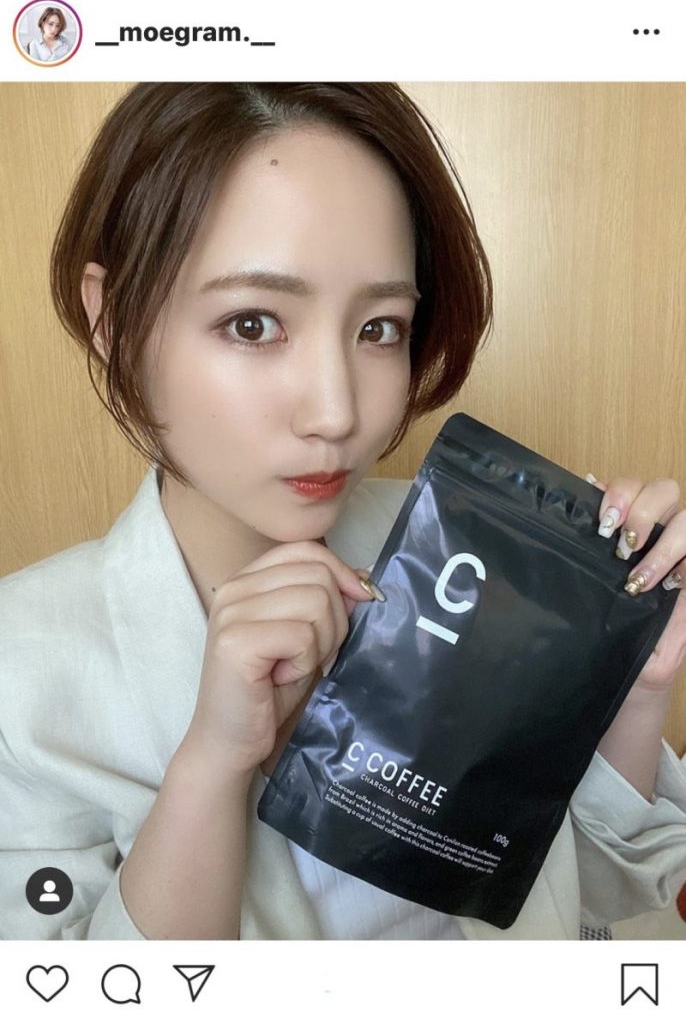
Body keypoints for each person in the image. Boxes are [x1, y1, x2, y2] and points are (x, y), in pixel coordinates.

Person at [1, 82, 685, 941]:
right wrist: (211, 767)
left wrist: (636, 680)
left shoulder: (476, 553)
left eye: (379, 329)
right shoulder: (23, 676)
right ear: (114, 324)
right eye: (253, 325)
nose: (336, 412)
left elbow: (600, 898)